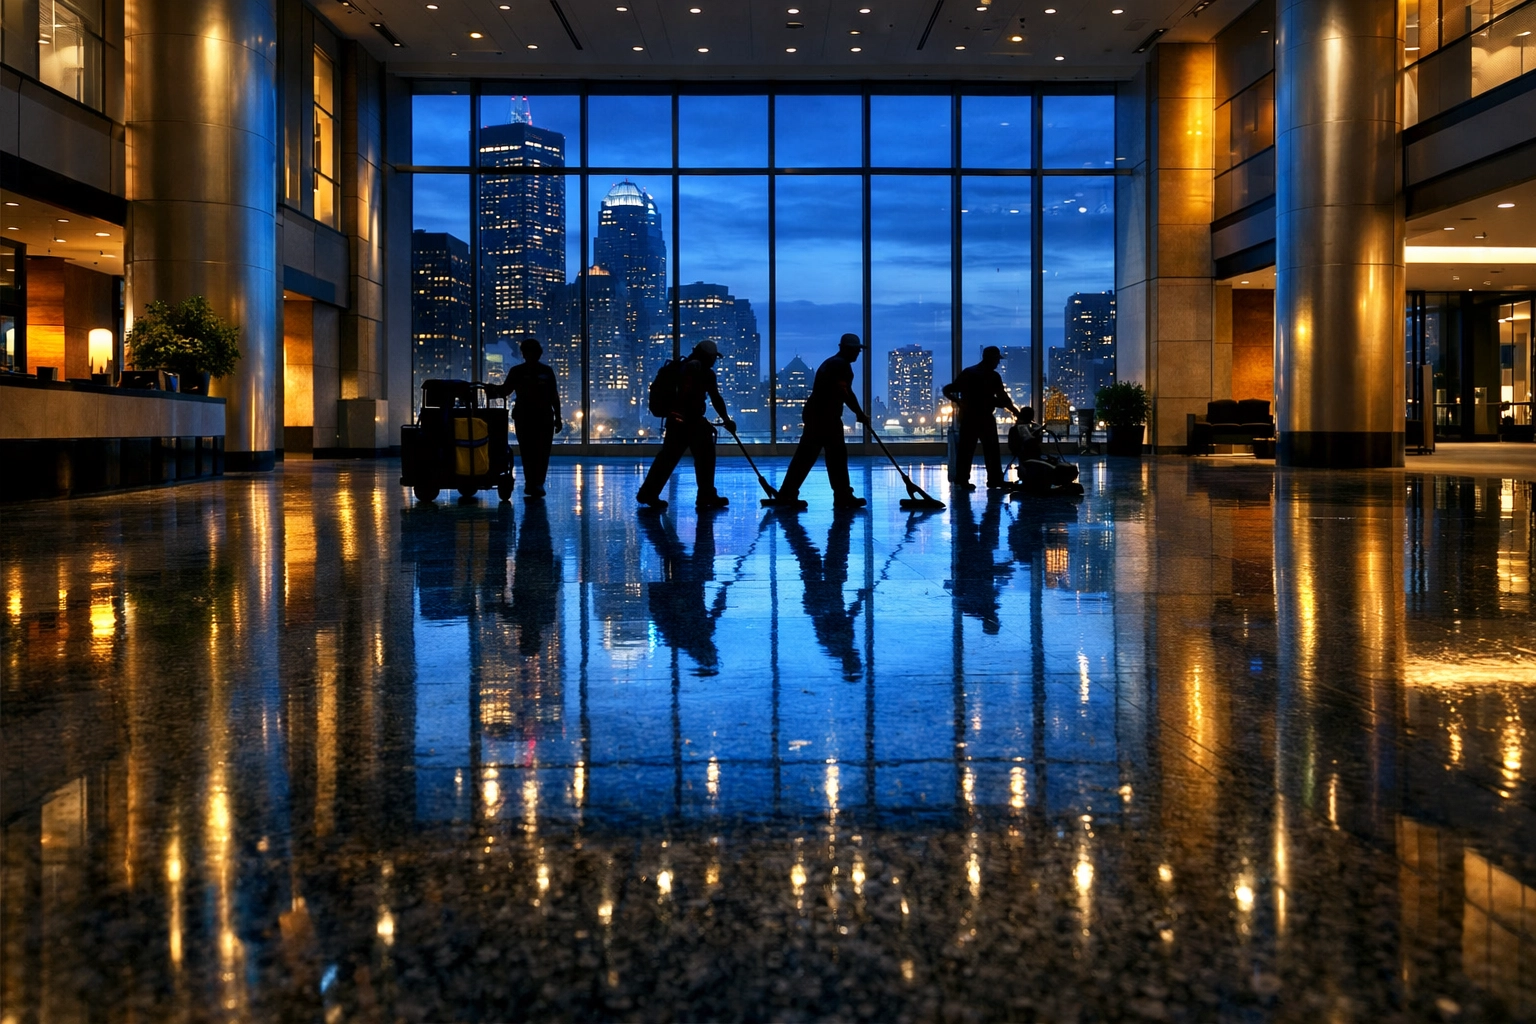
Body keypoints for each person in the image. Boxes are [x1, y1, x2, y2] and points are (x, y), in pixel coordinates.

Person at [766, 333, 869, 509]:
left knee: (805, 456)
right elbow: (846, 393)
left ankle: (787, 493)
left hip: (816, 415)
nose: (858, 354)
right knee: (836, 456)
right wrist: (860, 413)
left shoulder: (829, 363)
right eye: (855, 350)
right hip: (826, 417)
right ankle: (842, 495)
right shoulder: (841, 366)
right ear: (846, 349)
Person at [636, 340, 734, 511]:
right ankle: (706, 494)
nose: (714, 361)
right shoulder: (703, 372)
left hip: (675, 420)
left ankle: (648, 493)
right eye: (713, 357)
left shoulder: (679, 368)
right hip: (691, 421)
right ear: (707, 356)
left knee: (667, 458)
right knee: (705, 456)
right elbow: (715, 398)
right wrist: (726, 419)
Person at [485, 337, 563, 498]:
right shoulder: (546, 372)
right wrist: (558, 417)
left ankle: (532, 483)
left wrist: (491, 389)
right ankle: (537, 484)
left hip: (525, 416)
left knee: (528, 452)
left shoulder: (518, 371)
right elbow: (554, 396)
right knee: (541, 452)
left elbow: (505, 390)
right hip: (542, 417)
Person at [942, 345, 1021, 491]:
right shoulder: (993, 377)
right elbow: (1003, 399)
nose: (998, 363)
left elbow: (947, 389)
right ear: (991, 359)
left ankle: (962, 480)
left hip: (968, 417)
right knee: (992, 449)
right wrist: (1016, 412)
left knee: (966, 449)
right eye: (997, 360)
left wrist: (958, 402)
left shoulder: (969, 373)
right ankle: (995, 479)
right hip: (985, 417)